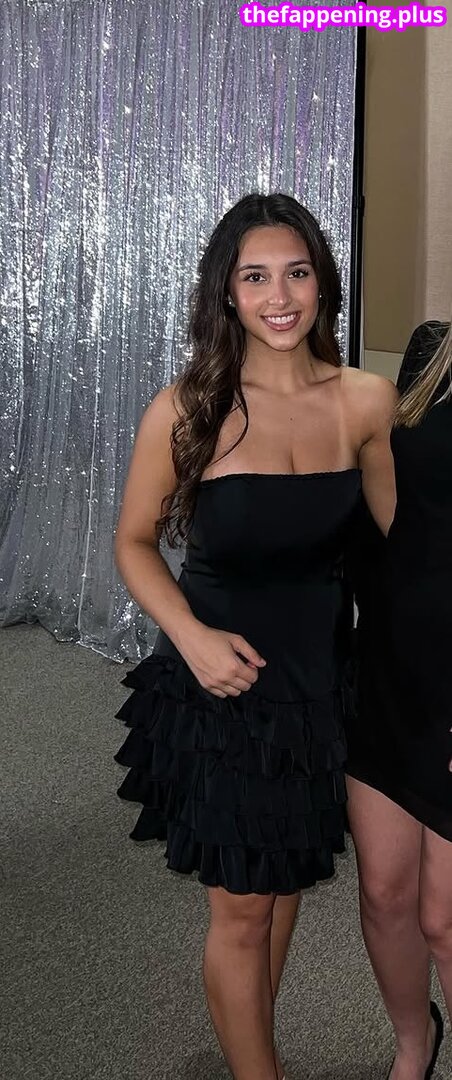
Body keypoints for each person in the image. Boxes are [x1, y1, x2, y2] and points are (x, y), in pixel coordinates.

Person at [113, 192, 396, 1080]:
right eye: (256, 277)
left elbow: (400, 553)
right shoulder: (187, 408)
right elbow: (133, 542)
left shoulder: (366, 401)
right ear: (227, 293)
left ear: (323, 283)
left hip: (319, 688)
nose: (280, 297)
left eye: (297, 273)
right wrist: (191, 636)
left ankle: (250, 1046)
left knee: (279, 883)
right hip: (220, 687)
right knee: (241, 911)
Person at [347, 319, 452, 1080]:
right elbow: (392, 511)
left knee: (444, 918)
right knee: (385, 892)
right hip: (389, 669)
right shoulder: (432, 350)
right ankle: (415, 1043)